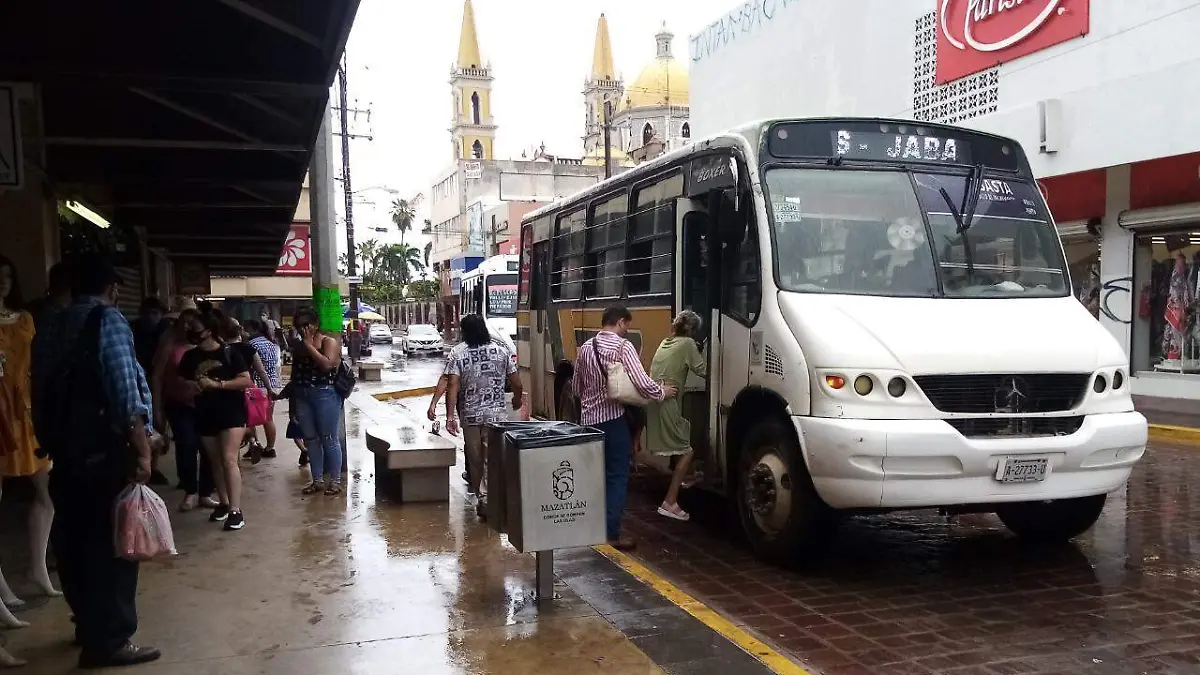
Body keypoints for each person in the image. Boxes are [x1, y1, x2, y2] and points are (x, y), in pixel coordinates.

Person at [31, 254, 161, 669]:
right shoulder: (108, 322)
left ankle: (87, 626)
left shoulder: (51, 325)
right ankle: (110, 640)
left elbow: (37, 388)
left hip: (64, 450)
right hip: (104, 452)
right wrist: (142, 450)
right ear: (113, 289)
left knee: (74, 544)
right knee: (116, 545)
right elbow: (125, 393)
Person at [573, 306, 677, 551]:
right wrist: (662, 392)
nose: (626, 331)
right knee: (617, 477)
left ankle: (590, 528)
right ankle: (610, 534)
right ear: (620, 322)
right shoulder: (622, 347)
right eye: (626, 326)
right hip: (612, 422)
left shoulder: (586, 347)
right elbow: (641, 382)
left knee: (594, 477)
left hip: (588, 422)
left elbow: (577, 387)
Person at [0, 254, 61, 627]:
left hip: (24, 412)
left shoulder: (24, 319)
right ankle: (2, 590)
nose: (3, 282)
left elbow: (36, 366)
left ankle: (38, 568)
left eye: (8, 275)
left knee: (47, 492)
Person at [178, 312, 252, 531]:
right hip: (205, 412)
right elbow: (180, 379)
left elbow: (245, 380)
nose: (191, 331)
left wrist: (217, 385)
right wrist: (191, 386)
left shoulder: (230, 353)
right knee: (215, 461)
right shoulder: (190, 357)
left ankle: (236, 511)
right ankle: (224, 502)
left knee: (229, 459)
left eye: (195, 327)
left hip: (232, 413)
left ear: (209, 330)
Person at [445, 314, 522, 518]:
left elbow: (452, 384)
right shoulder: (501, 351)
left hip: (470, 417)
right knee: (492, 459)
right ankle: (489, 498)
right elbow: (517, 381)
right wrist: (517, 399)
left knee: (475, 459)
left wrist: (450, 416)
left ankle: (483, 497)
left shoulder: (458, 353)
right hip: (496, 417)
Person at [151, 308, 217, 512]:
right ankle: (190, 490)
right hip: (178, 403)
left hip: (206, 404)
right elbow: (157, 376)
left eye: (193, 323)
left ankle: (205, 492)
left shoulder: (210, 346)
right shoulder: (169, 345)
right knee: (187, 443)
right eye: (185, 323)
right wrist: (157, 409)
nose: (189, 327)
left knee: (208, 448)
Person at [646, 310, 708, 521]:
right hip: (668, 403)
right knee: (687, 450)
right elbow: (704, 371)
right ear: (693, 331)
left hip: (656, 401)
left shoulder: (667, 341)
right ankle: (669, 502)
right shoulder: (688, 345)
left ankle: (686, 476)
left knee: (685, 430)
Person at [288, 308, 344, 495]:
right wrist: (292, 405)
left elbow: (327, 365)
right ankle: (317, 480)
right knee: (311, 439)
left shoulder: (329, 342)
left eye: (307, 325)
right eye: (299, 326)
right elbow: (295, 375)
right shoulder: (297, 346)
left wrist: (309, 346)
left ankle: (335, 480)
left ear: (315, 325)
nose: (303, 329)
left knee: (329, 438)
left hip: (325, 394)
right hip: (303, 395)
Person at [219, 317, 271, 464]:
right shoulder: (249, 349)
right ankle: (253, 440)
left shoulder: (221, 350)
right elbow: (261, 371)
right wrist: (269, 389)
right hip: (248, 389)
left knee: (234, 425)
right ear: (240, 331)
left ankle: (237, 454)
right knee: (247, 420)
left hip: (226, 391)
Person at [132, 297, 170, 485]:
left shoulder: (165, 331)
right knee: (140, 424)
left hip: (160, 383)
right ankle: (142, 463)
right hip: (137, 382)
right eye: (147, 313)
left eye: (154, 313)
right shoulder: (133, 329)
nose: (150, 317)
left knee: (158, 424)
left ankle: (153, 466)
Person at [242, 319, 281, 460]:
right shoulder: (272, 344)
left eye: (244, 329)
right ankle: (270, 448)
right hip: (273, 385)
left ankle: (255, 445)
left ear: (251, 329)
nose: (243, 332)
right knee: (268, 418)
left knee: (251, 418)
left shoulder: (251, 345)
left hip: (257, 387)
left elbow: (251, 368)